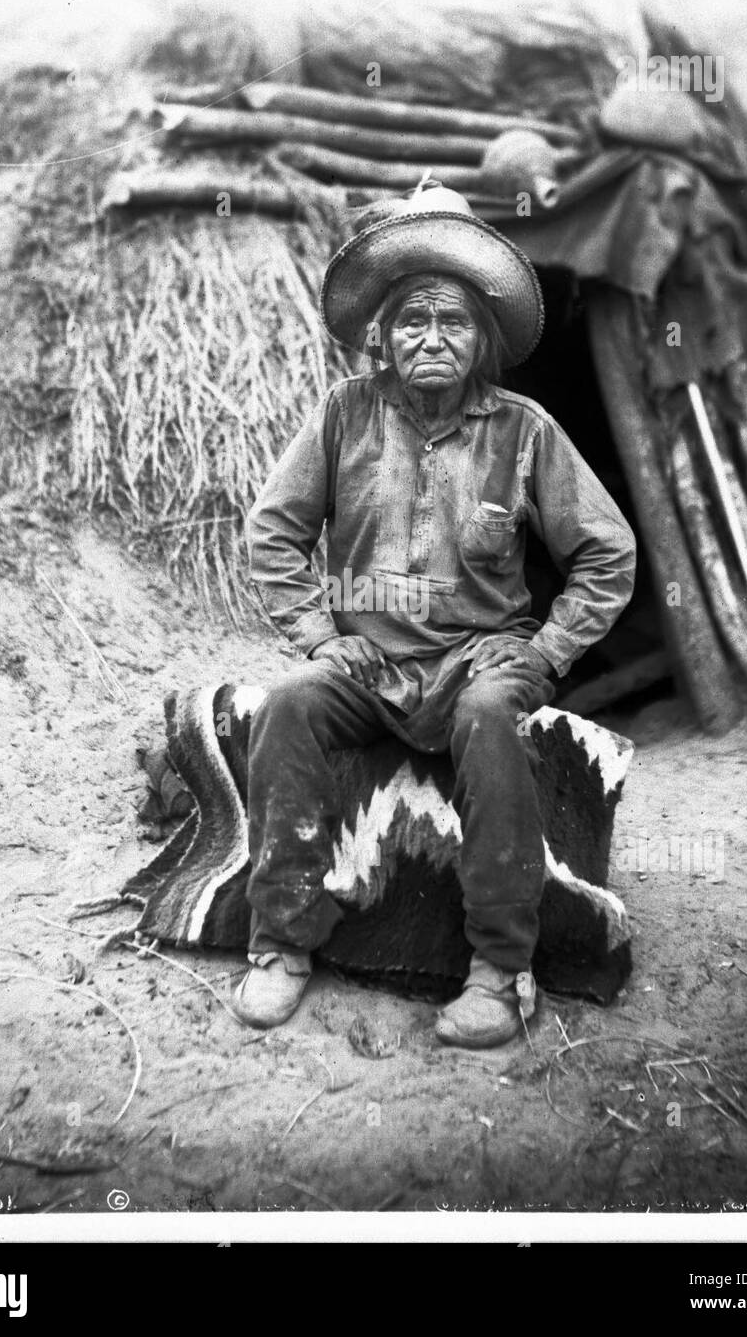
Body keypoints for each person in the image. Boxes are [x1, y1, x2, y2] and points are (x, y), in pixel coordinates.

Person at [232, 181, 636, 1047]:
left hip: (479, 661)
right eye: (412, 319)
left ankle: (499, 971)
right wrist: (318, 636)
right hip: (366, 665)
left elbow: (606, 555)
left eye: (452, 321)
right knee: (289, 703)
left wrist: (545, 654)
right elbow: (273, 533)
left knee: (492, 717)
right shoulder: (343, 414)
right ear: (382, 333)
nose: (430, 338)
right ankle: (281, 944)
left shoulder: (526, 432)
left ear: (482, 339)